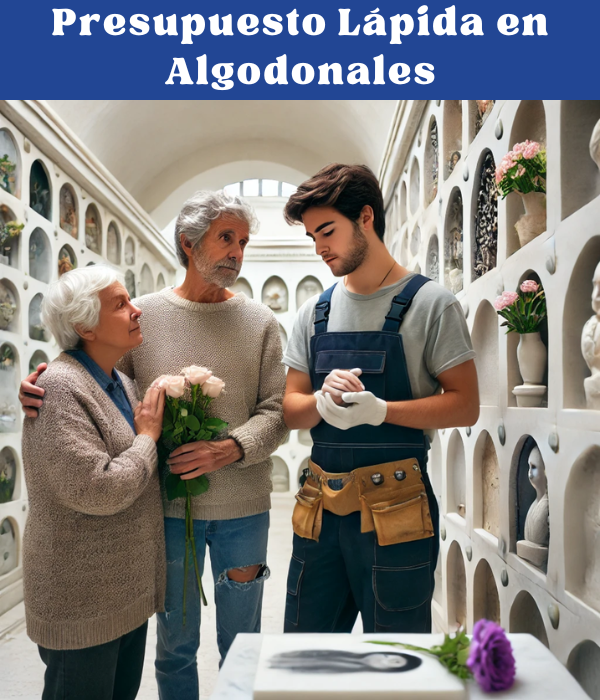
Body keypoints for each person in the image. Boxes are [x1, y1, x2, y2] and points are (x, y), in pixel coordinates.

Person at [21, 190, 288, 700]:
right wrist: (39, 379)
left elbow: (276, 412)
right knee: (175, 645)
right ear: (189, 243)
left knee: (243, 644)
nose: (237, 252)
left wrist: (229, 448)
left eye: (244, 242)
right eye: (226, 238)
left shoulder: (261, 322)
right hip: (164, 508)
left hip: (244, 510)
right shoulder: (141, 317)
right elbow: (95, 386)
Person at [281, 163, 479, 634]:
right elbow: (290, 407)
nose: (320, 247)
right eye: (311, 237)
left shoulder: (433, 304)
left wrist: (384, 411)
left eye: (326, 231)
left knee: (398, 657)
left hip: (398, 508)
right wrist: (320, 404)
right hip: (320, 508)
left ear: (365, 217)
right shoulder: (314, 312)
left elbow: (465, 404)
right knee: (306, 657)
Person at [21, 266, 166, 700]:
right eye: (120, 304)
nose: (136, 310)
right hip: (81, 601)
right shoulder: (60, 390)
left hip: (122, 594)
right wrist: (147, 439)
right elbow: (97, 489)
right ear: (85, 326)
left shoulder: (119, 380)